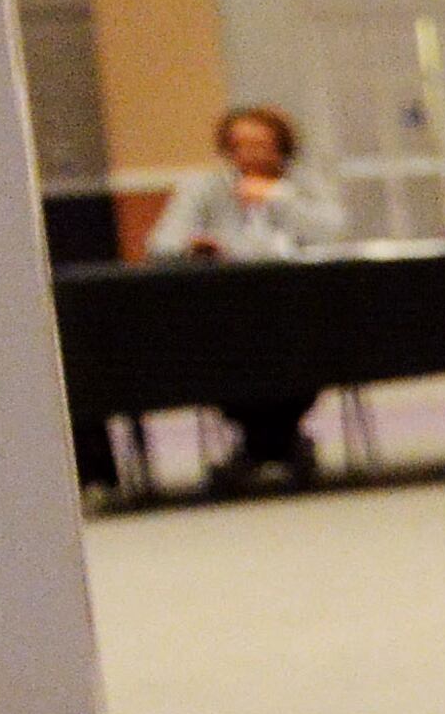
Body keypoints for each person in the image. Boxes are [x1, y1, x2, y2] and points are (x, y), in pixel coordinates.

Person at [148, 104, 349, 488]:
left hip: (297, 310)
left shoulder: (303, 184)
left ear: (282, 148)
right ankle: (268, 445)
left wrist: (277, 197)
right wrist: (196, 247)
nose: (251, 155)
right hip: (226, 317)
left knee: (308, 353)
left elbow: (332, 231)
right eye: (240, 146)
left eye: (262, 145)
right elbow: (162, 243)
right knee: (229, 360)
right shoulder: (203, 187)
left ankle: (276, 443)